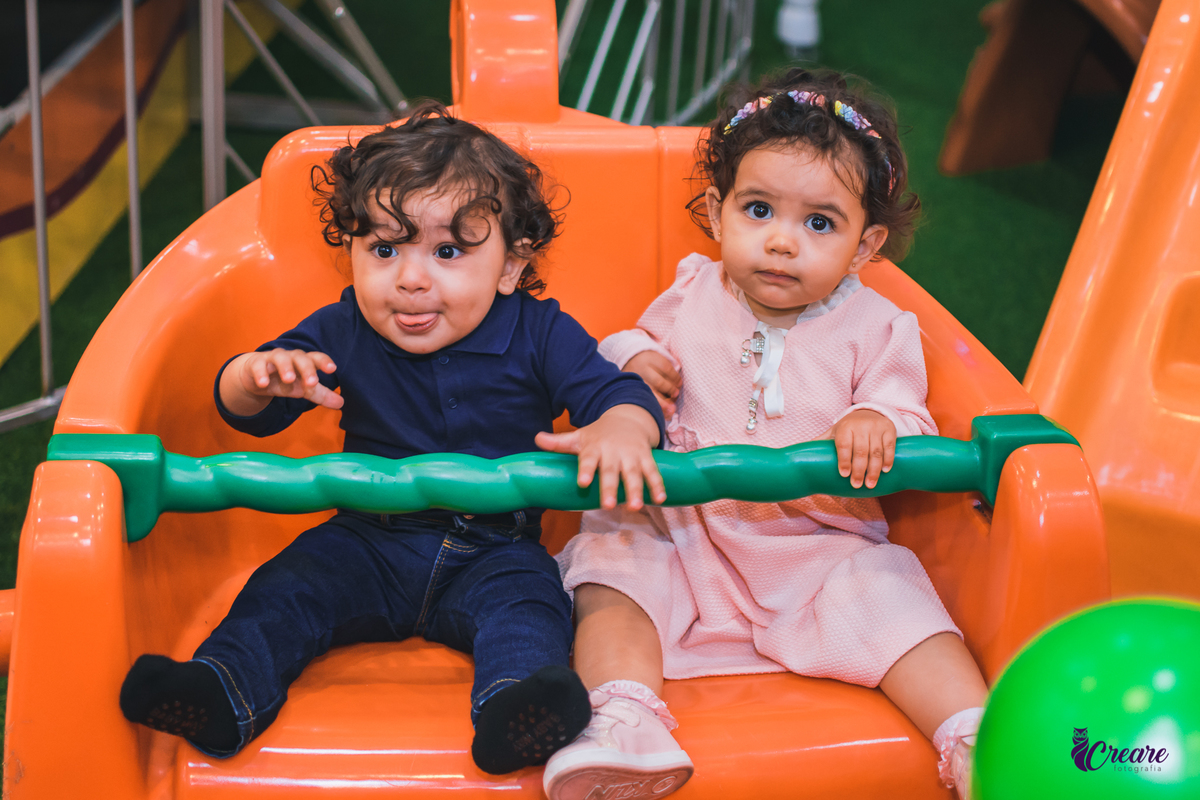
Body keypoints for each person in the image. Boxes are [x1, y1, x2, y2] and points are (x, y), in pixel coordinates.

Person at [118, 101, 667, 776]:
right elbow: (244, 408)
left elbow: (620, 394)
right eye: (383, 249)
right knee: (286, 588)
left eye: (447, 252)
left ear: (510, 266)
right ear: (351, 251)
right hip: (367, 542)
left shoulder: (541, 332)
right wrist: (255, 376)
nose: (410, 279)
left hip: (493, 549)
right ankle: (222, 691)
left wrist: (620, 427)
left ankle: (513, 712)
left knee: (532, 609)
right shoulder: (343, 327)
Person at [545, 69, 988, 800]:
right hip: (686, 531)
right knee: (613, 563)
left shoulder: (878, 327)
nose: (783, 243)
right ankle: (620, 718)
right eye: (759, 210)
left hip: (813, 547)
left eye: (819, 223)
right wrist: (637, 360)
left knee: (889, 592)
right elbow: (624, 349)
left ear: (865, 243)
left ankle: (972, 735)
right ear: (717, 214)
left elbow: (906, 413)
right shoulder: (693, 288)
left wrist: (876, 422)